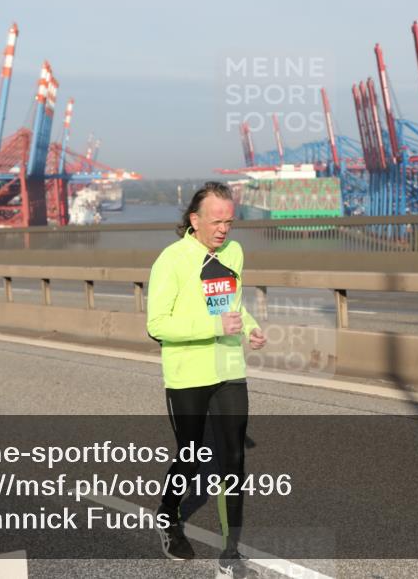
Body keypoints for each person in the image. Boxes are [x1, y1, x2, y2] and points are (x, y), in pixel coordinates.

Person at [147, 182, 266, 578]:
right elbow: (157, 325)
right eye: (216, 221)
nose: (223, 229)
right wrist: (213, 324)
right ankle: (168, 514)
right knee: (192, 455)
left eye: (229, 222)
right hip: (187, 375)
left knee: (233, 458)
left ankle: (231, 555)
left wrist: (249, 327)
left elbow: (231, 305)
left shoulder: (234, 253)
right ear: (194, 220)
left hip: (230, 368)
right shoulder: (172, 259)